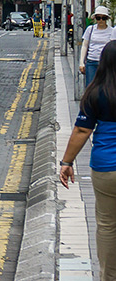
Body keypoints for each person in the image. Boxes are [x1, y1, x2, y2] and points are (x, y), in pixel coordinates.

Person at [61, 41, 116, 279]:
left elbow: (82, 131)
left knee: (106, 225)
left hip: (106, 169)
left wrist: (67, 162)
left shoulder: (95, 93)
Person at [81, 6, 116, 86]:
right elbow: (85, 46)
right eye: (98, 18)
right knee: (90, 86)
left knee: (106, 86)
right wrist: (81, 63)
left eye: (103, 18)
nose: (100, 20)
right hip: (91, 62)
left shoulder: (112, 31)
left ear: (106, 19)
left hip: (106, 63)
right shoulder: (90, 29)